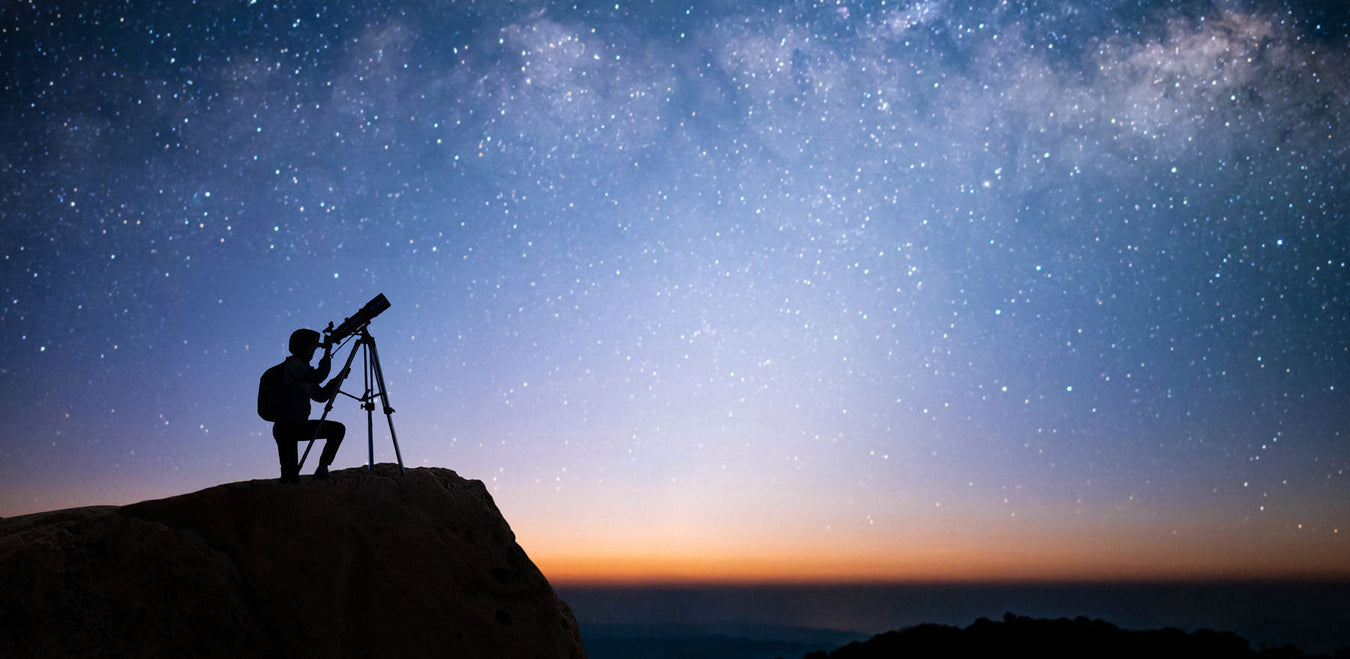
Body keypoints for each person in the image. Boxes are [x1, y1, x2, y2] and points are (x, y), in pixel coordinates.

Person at [270, 328, 349, 483]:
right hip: (286, 428)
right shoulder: (293, 366)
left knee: (337, 430)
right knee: (290, 478)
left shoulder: (303, 371)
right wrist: (327, 353)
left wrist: (338, 378)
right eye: (312, 347)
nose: (313, 351)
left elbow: (321, 396)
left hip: (299, 426)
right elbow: (319, 376)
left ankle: (323, 468)